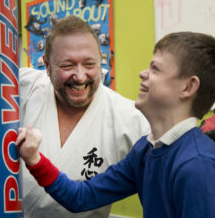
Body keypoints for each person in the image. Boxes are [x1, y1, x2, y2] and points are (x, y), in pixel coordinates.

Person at [19, 15, 215, 218]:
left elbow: (199, 165)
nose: (142, 73)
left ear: (187, 87)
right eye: (66, 65)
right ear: (47, 64)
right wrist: (34, 159)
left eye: (155, 69)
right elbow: (80, 197)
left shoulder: (198, 166)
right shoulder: (147, 150)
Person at [19, 15, 149, 218]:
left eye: (89, 64)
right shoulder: (23, 87)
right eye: (67, 65)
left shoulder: (130, 119)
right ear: (46, 64)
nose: (80, 76)